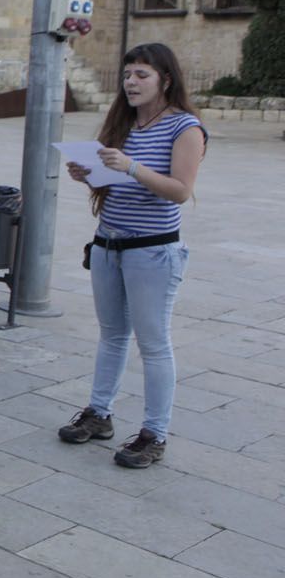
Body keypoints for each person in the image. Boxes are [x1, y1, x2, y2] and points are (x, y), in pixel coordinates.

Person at [58, 43, 207, 468]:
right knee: (111, 335)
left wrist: (131, 167)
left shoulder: (186, 128)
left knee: (154, 344)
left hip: (152, 252)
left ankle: (154, 433)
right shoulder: (122, 125)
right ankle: (99, 413)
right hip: (107, 246)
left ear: (166, 79)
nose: (131, 83)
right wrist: (90, 176)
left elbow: (180, 190)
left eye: (141, 74)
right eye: (127, 75)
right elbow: (115, 187)